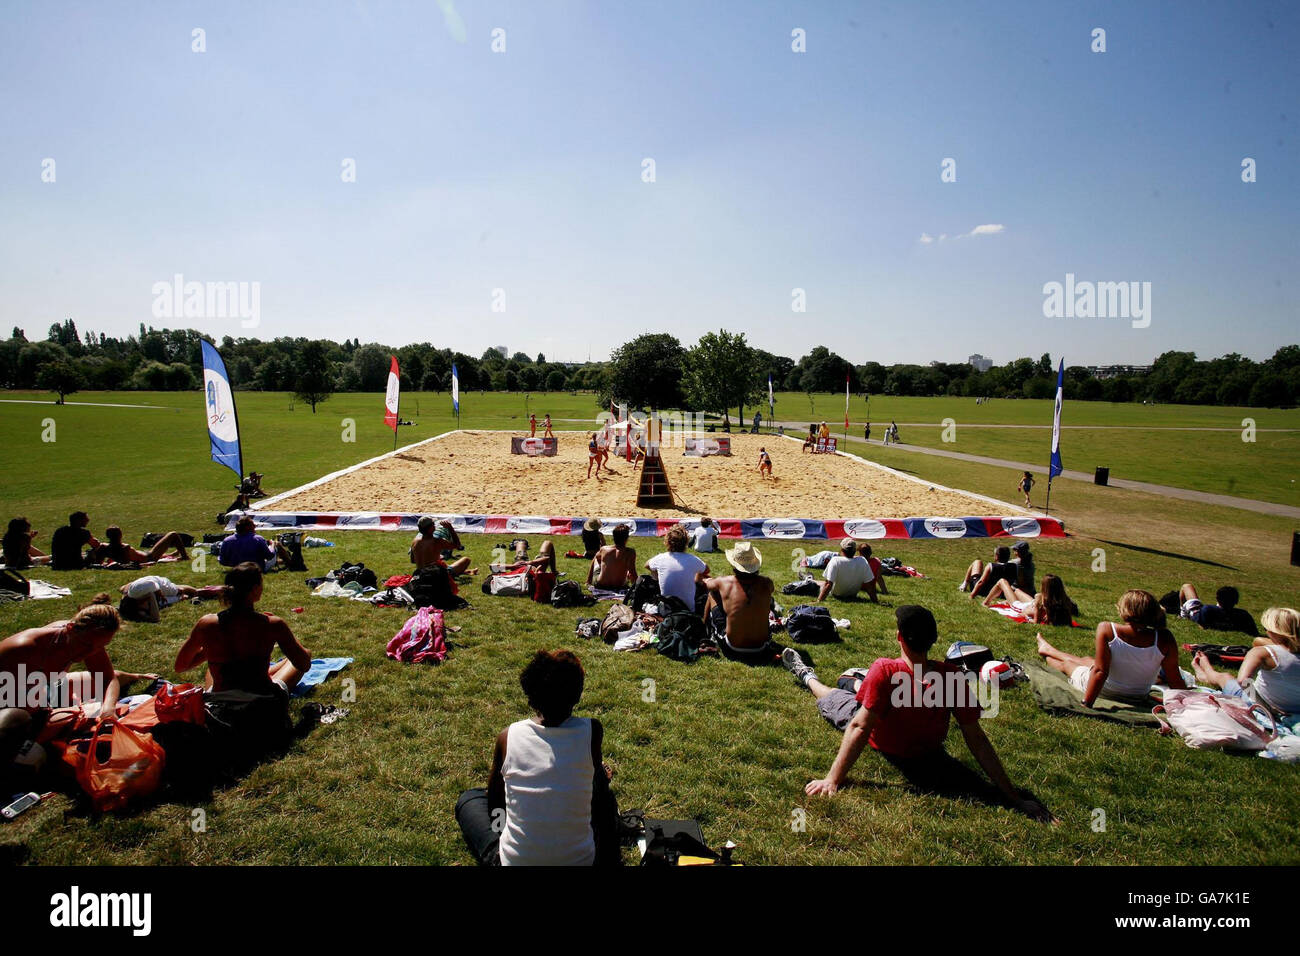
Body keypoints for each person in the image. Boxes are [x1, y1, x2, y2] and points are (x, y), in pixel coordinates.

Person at [792, 605, 1052, 821]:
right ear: (933, 640)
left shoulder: (884, 670)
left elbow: (859, 726)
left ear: (899, 637)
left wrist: (832, 779)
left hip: (874, 722)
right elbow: (977, 739)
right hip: (920, 743)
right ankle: (856, 681)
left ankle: (807, 676)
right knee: (859, 687)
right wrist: (1014, 797)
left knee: (833, 696)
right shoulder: (952, 677)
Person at [455, 649, 617, 866]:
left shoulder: (508, 736)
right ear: (577, 695)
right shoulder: (591, 732)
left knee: (471, 799)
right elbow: (596, 792)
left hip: (515, 860)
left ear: (531, 697)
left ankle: (497, 843)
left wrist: (500, 832)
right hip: (581, 860)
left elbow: (496, 798)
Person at [175, 562, 312, 695]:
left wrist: (213, 648)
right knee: (306, 654)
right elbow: (304, 664)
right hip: (263, 701)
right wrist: (285, 633)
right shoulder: (272, 624)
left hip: (220, 706)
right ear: (254, 589)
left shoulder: (206, 624)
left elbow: (181, 666)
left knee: (213, 669)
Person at [1036, 589, 1185, 706]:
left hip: (1107, 691)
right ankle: (1049, 649)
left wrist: (1087, 702)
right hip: (1138, 695)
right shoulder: (1165, 638)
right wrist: (1188, 700)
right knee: (1088, 660)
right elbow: (1174, 678)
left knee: (1067, 664)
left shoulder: (1108, 629)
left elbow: (1100, 672)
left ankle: (1048, 653)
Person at [0, 595, 125, 717]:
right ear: (70, 628)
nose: (89, 653)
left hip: (44, 689)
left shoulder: (90, 640)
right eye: (86, 645)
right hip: (13, 700)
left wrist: (108, 707)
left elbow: (107, 678)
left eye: (101, 646)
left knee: (115, 679)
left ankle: (142, 676)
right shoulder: (24, 649)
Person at [1192, 607, 1300, 716]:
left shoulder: (1262, 652)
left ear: (1273, 631)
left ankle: (1205, 673)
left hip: (1263, 706)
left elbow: (1243, 681)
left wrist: (1267, 708)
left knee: (1226, 677)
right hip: (1295, 709)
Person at [702, 542, 775, 659]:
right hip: (762, 647)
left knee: (712, 594)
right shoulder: (767, 583)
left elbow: (709, 585)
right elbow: (769, 591)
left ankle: (704, 632)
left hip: (732, 648)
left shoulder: (724, 582)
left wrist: (707, 579)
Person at [645, 524, 708, 609]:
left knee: (653, 571)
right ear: (686, 542)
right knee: (706, 578)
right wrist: (697, 579)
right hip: (688, 609)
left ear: (667, 542)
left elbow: (647, 565)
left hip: (666, 610)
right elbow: (706, 570)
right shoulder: (693, 559)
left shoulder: (660, 558)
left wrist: (658, 576)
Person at [982, 573, 1077, 626]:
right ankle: (1006, 601)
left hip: (1020, 607)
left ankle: (986, 603)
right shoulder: (1064, 601)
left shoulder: (1041, 604)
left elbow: (1035, 621)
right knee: (1017, 591)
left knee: (1002, 581)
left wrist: (1026, 617)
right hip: (1030, 604)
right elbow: (1069, 621)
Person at [1173, 584, 1259, 637]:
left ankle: (1182, 614)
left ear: (1217, 599)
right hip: (1215, 613)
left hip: (1196, 612)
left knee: (1187, 586)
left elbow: (1202, 626)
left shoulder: (1209, 609)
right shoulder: (1243, 615)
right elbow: (1254, 632)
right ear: (1236, 601)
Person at [118, 575, 207, 623]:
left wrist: (158, 593)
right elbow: (155, 618)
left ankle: (196, 591)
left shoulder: (135, 591)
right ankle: (187, 595)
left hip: (159, 584)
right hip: (155, 597)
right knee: (181, 598)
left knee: (178, 590)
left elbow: (152, 584)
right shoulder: (138, 609)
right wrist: (151, 597)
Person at [93, 525, 191, 565]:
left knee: (158, 548)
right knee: (173, 534)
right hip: (149, 557)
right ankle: (184, 556)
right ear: (120, 535)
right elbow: (130, 565)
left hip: (143, 555)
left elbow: (98, 563)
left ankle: (171, 554)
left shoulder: (103, 547)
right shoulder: (124, 547)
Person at [817, 538, 877, 603]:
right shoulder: (862, 561)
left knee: (815, 583)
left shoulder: (835, 560)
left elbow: (828, 584)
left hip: (836, 594)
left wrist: (819, 600)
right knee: (820, 582)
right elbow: (870, 586)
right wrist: (875, 601)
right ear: (854, 551)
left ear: (842, 549)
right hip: (852, 594)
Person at [218, 516, 287, 571]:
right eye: (253, 525)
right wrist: (272, 544)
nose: (255, 526)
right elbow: (269, 556)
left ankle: (281, 561)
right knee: (277, 544)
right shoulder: (258, 539)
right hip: (257, 568)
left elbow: (222, 561)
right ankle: (291, 563)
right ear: (248, 527)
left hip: (237, 569)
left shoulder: (227, 540)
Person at [588, 524, 637, 592]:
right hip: (619, 585)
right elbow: (633, 573)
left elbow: (596, 559)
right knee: (628, 571)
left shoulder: (604, 549)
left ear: (613, 537)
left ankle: (588, 581)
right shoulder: (630, 552)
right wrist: (637, 587)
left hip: (601, 584)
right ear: (626, 538)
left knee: (596, 557)